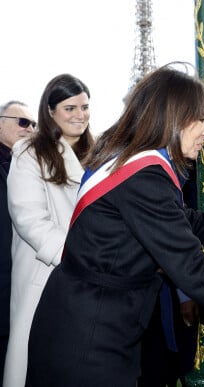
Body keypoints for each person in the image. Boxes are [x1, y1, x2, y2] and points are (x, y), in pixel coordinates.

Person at [24, 63, 204, 387]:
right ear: (175, 118)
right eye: (201, 120)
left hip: (88, 318)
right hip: (90, 335)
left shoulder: (131, 158)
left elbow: (182, 218)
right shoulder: (144, 176)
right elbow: (193, 270)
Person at [3, 75, 93, 387]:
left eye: (84, 106)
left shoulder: (98, 156)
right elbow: (30, 220)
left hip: (93, 284)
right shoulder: (29, 152)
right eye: (70, 107)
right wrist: (86, 256)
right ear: (50, 111)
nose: (79, 114)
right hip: (48, 276)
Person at [0, 100, 36, 383]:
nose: (30, 129)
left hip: (18, 289)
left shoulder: (27, 167)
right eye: (23, 122)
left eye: (34, 125)